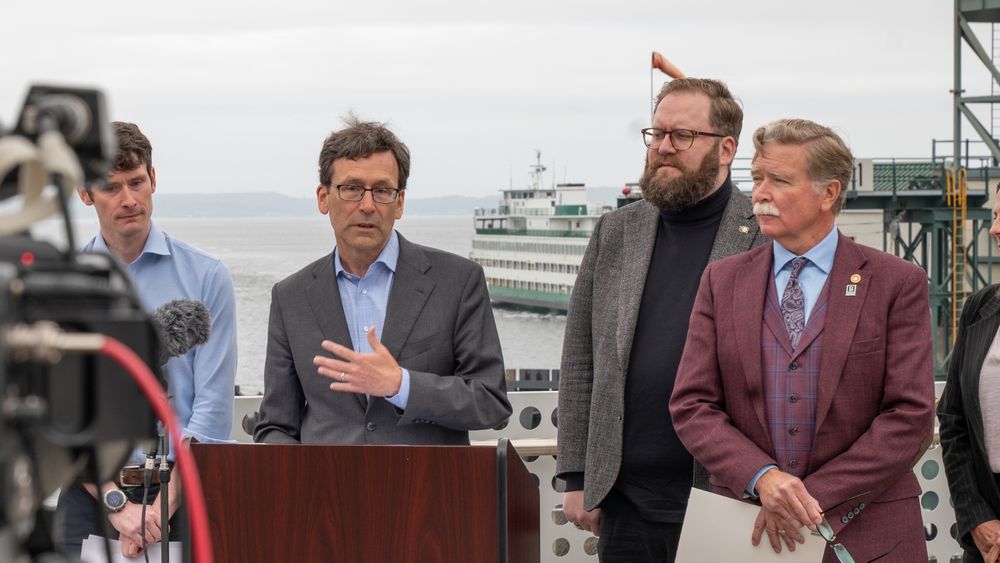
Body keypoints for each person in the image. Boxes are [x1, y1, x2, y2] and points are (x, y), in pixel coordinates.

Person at [670, 118, 935, 562]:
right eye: (756, 178)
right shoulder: (722, 281)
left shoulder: (897, 282)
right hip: (745, 532)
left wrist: (800, 499)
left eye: (779, 180)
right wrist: (763, 478)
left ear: (828, 193)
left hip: (870, 535)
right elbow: (691, 404)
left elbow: (910, 416)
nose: (760, 194)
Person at [556, 78, 766, 562]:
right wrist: (577, 476)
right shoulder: (616, 230)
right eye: (658, 134)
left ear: (726, 148)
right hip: (624, 500)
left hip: (727, 498)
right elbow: (581, 358)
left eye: (683, 136)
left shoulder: (763, 234)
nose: (664, 148)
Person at [253, 116, 511, 445]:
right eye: (351, 188)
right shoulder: (290, 297)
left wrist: (400, 385)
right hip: (325, 493)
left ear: (399, 202)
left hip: (427, 491)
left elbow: (491, 402)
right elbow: (275, 425)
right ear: (323, 198)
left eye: (382, 191)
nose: (367, 205)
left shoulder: (458, 282)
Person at [57, 121, 238, 558]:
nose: (129, 199)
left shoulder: (207, 276)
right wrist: (116, 504)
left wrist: (160, 508)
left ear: (153, 179)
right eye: (112, 187)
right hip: (89, 496)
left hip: (185, 490)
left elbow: (212, 412)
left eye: (137, 182)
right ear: (85, 194)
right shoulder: (62, 285)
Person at [939, 186, 1000, 563]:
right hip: (988, 528)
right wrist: (975, 516)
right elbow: (953, 418)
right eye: (995, 216)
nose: (994, 229)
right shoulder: (980, 307)